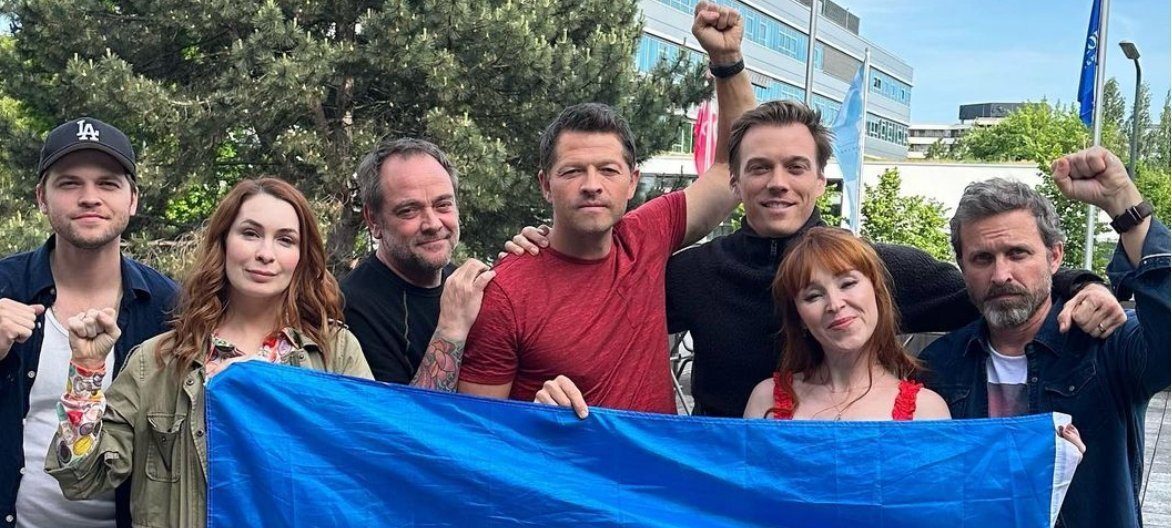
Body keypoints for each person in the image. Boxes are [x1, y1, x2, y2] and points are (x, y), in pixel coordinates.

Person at [508, 100, 1124, 418]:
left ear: (820, 179)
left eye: (795, 167)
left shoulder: (875, 270)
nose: (778, 182)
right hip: (723, 497)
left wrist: (1080, 283)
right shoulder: (692, 273)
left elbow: (996, 284)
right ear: (736, 182)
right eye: (759, 168)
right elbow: (597, 297)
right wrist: (545, 251)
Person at [44, 178, 373, 528]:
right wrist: (87, 368)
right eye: (250, 233)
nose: (265, 253)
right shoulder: (157, 361)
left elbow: (367, 471)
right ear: (223, 242)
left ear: (302, 256)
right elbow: (82, 478)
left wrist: (277, 394)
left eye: (285, 240)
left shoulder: (334, 352)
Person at [456, 1, 756, 416]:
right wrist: (537, 419)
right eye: (572, 171)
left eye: (608, 170)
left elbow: (730, 168)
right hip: (558, 462)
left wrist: (727, 60)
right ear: (545, 185)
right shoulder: (507, 291)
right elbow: (477, 428)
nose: (592, 185)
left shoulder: (649, 233)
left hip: (654, 460)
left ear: (632, 181)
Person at [920, 147, 1169, 528]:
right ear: (962, 266)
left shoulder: (1105, 345)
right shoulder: (938, 367)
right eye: (982, 258)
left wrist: (1125, 205)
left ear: (1055, 257)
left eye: (1018, 253)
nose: (1001, 274)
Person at [0, 118, 177, 528]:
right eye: (69, 183)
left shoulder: (170, 308)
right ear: (41, 197)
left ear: (132, 200)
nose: (89, 197)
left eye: (107, 183)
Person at [742, 227, 950, 421]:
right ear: (799, 318)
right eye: (813, 296)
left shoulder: (927, 410)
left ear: (877, 292)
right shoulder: (766, 401)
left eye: (848, 283)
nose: (835, 304)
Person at [340, 138, 494, 391]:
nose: (433, 224)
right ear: (373, 220)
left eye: (443, 204)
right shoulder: (349, 308)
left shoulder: (469, 286)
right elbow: (401, 415)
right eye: (409, 210)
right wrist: (451, 329)